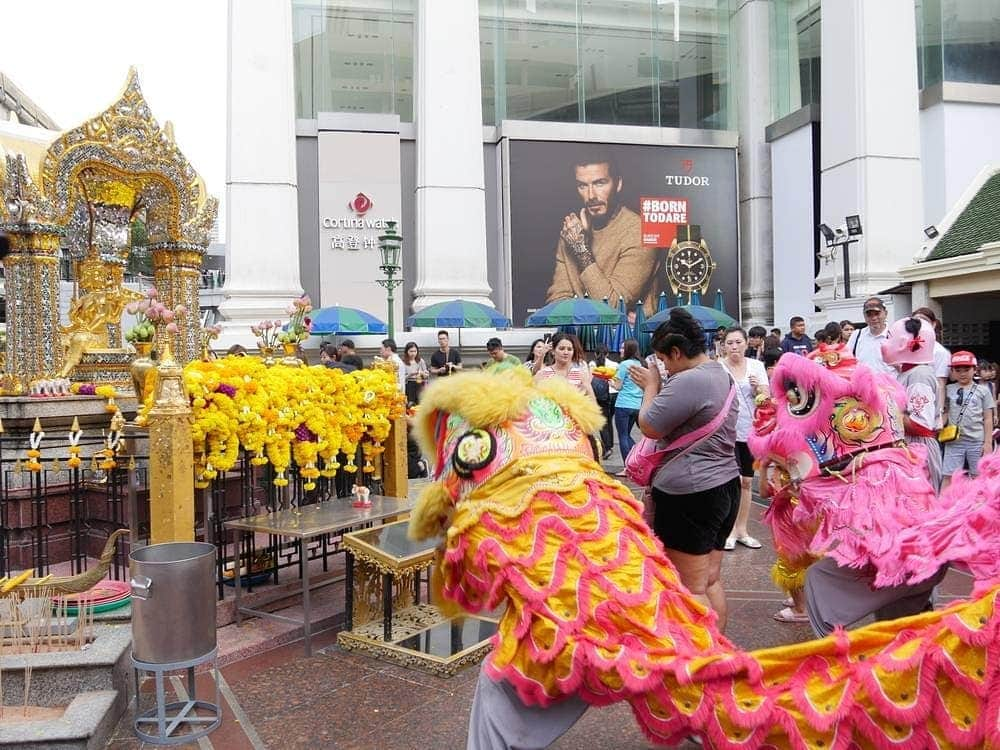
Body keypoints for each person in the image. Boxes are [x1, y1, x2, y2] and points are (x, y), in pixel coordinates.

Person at [629, 308, 740, 630]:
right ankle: (720, 651)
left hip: (691, 494)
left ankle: (704, 664)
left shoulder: (689, 380)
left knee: (690, 590)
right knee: (709, 580)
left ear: (676, 352)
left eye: (664, 360)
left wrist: (651, 386)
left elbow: (649, 425)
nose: (663, 368)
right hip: (724, 485)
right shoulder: (719, 373)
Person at [545, 154, 663, 317]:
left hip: (623, 339)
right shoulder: (572, 231)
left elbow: (612, 306)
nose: (591, 195)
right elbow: (557, 302)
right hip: (578, 339)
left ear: (618, 184)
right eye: (582, 186)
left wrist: (581, 249)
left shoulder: (639, 231)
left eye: (600, 183)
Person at [718, 327, 768, 552]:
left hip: (750, 432)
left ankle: (742, 529)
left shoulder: (756, 366)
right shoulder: (718, 368)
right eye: (730, 343)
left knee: (747, 482)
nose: (734, 347)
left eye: (738, 342)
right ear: (723, 346)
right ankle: (727, 530)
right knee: (732, 482)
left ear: (747, 343)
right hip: (726, 433)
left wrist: (759, 388)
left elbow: (766, 399)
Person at [881, 317, 942, 490]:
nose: (885, 344)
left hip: (919, 450)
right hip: (909, 447)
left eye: (890, 338)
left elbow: (920, 424)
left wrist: (885, 410)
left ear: (904, 344)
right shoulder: (908, 373)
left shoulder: (919, 375)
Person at [941, 351, 995, 490]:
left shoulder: (983, 390)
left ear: (974, 370)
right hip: (953, 441)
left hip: (977, 440)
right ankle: (943, 508)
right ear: (952, 371)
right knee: (949, 476)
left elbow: (988, 418)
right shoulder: (947, 389)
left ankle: (980, 506)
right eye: (958, 370)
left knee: (979, 476)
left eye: (967, 370)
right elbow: (945, 412)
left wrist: (988, 443)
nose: (962, 373)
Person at [912, 307, 950, 428]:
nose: (920, 324)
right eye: (915, 321)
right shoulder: (907, 347)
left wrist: (938, 415)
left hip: (928, 405)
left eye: (924, 320)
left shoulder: (940, 352)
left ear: (933, 324)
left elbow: (941, 385)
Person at [611, 339, 643, 476]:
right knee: (627, 435)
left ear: (629, 350)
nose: (620, 350)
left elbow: (618, 386)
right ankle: (638, 457)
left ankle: (627, 467)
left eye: (623, 348)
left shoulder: (624, 365)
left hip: (623, 404)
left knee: (623, 436)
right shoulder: (639, 364)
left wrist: (610, 381)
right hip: (637, 405)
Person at [533, 332, 596, 400]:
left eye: (569, 349)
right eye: (561, 349)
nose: (566, 352)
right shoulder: (542, 374)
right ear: (553, 351)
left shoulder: (581, 375)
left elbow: (593, 403)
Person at [845, 297, 891, 374]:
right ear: (864, 316)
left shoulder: (894, 335)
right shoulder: (857, 335)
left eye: (877, 314)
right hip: (863, 384)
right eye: (869, 315)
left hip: (890, 385)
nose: (874, 318)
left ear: (885, 313)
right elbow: (847, 360)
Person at [589, 343, 617, 459]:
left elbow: (589, 380)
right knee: (609, 420)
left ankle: (607, 447)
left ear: (595, 354)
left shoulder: (592, 364)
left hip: (600, 396)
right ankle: (609, 444)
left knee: (603, 422)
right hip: (614, 394)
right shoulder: (615, 364)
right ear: (608, 353)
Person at [402, 341, 429, 406]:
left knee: (419, 404)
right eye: (411, 351)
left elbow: (426, 376)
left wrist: (424, 374)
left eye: (415, 351)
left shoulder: (420, 361)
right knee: (410, 405)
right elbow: (401, 378)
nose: (413, 353)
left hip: (419, 384)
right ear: (407, 351)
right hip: (408, 385)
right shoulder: (403, 362)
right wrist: (410, 374)